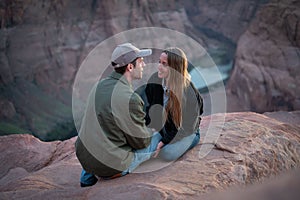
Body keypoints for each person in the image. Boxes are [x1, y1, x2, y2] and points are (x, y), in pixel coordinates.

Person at [75, 43, 161, 187]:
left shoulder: (99, 86)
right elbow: (141, 142)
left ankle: (87, 178)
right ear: (130, 67)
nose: (144, 65)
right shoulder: (131, 99)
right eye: (141, 61)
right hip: (112, 165)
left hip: (86, 158)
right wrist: (150, 131)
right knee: (157, 137)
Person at [143, 47, 203, 161]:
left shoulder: (189, 91)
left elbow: (189, 126)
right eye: (159, 62)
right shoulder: (154, 80)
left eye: (164, 64)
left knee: (167, 154)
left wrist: (164, 141)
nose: (159, 67)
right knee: (144, 145)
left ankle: (192, 139)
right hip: (165, 128)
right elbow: (150, 107)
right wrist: (149, 127)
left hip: (187, 132)